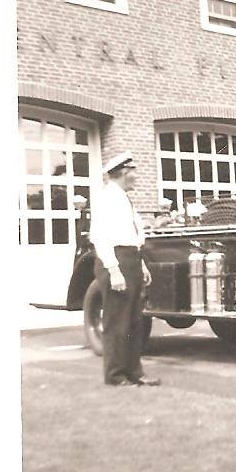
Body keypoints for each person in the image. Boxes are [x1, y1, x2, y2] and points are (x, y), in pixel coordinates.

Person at [89, 151, 160, 387]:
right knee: (117, 320)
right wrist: (114, 270)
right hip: (115, 260)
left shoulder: (123, 199)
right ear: (123, 172)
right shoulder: (107, 199)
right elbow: (101, 238)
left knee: (134, 321)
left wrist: (140, 264)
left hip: (131, 259)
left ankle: (134, 372)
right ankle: (115, 375)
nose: (137, 176)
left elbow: (132, 236)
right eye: (134, 172)